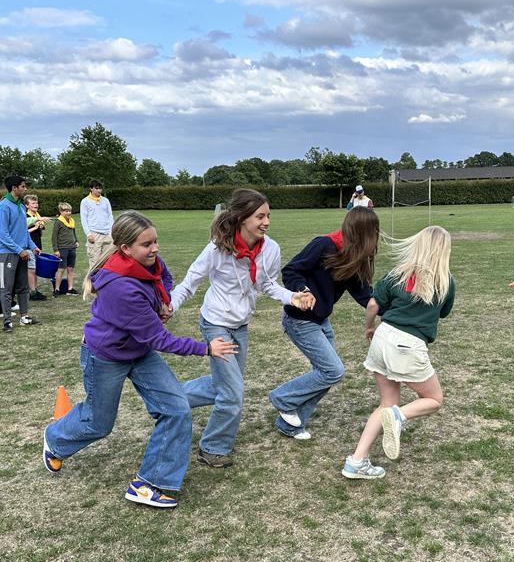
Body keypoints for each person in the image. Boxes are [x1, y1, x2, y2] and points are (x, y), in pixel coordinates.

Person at [42, 211, 236, 509]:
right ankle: (55, 439)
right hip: (106, 356)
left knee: (176, 409)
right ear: (125, 249)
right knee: (99, 422)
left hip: (138, 351)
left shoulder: (149, 262)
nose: (155, 248)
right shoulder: (122, 287)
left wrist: (165, 301)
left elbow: (165, 277)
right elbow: (160, 339)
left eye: (155, 241)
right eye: (147, 244)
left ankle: (149, 484)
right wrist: (206, 349)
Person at [170, 188, 314, 468]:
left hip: (240, 326)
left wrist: (293, 297)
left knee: (222, 385)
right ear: (242, 218)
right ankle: (212, 447)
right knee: (233, 392)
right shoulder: (216, 248)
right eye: (260, 216)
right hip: (216, 324)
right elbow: (190, 282)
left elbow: (268, 285)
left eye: (268, 216)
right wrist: (170, 307)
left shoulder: (270, 248)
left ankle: (168, 397)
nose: (266, 222)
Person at [342, 226, 455, 480]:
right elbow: (444, 312)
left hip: (383, 338)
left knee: (386, 403)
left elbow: (373, 304)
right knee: (434, 399)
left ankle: (356, 461)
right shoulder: (446, 281)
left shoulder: (396, 275)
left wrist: (369, 327)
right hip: (407, 344)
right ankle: (398, 416)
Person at [268, 207, 380, 440]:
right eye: (374, 233)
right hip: (299, 320)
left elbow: (363, 294)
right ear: (363, 233)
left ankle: (290, 425)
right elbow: (291, 270)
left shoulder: (352, 256)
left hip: (320, 320)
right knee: (332, 371)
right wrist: (303, 290)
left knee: (326, 373)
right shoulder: (323, 244)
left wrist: (394, 308)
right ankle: (283, 399)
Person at [0, 175, 41, 332]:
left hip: (23, 252)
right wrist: (19, 250)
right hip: (6, 253)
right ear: (14, 188)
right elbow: (2, 233)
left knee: (23, 287)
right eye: (23, 186)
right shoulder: (4, 206)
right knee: (6, 288)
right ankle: (7, 321)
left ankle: (24, 317)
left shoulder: (21, 206)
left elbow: (23, 230)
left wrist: (32, 246)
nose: (25, 189)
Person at [80, 180, 114, 270]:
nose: (99, 191)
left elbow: (110, 216)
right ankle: (93, 284)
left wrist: (111, 232)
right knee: (95, 263)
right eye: (96, 188)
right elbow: (83, 219)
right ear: (91, 189)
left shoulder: (105, 201)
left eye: (100, 188)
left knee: (108, 261)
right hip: (94, 235)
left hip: (108, 234)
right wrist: (88, 234)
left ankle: (105, 283)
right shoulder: (85, 201)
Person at [25, 193, 50, 301]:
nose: (36, 204)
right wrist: (35, 227)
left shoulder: (37, 215)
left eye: (36, 202)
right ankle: (32, 292)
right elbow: (23, 232)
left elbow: (41, 234)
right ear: (27, 206)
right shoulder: (26, 216)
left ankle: (34, 289)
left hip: (37, 245)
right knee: (31, 270)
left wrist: (40, 228)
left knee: (35, 269)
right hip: (28, 246)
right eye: (33, 203)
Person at [52, 202, 80, 295]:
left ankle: (70, 288)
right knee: (61, 269)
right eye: (66, 211)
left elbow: (73, 233)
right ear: (61, 211)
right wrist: (56, 250)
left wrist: (76, 240)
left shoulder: (72, 221)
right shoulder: (58, 222)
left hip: (72, 248)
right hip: (62, 249)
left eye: (69, 211)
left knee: (71, 269)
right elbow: (54, 237)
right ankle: (57, 289)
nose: (68, 213)